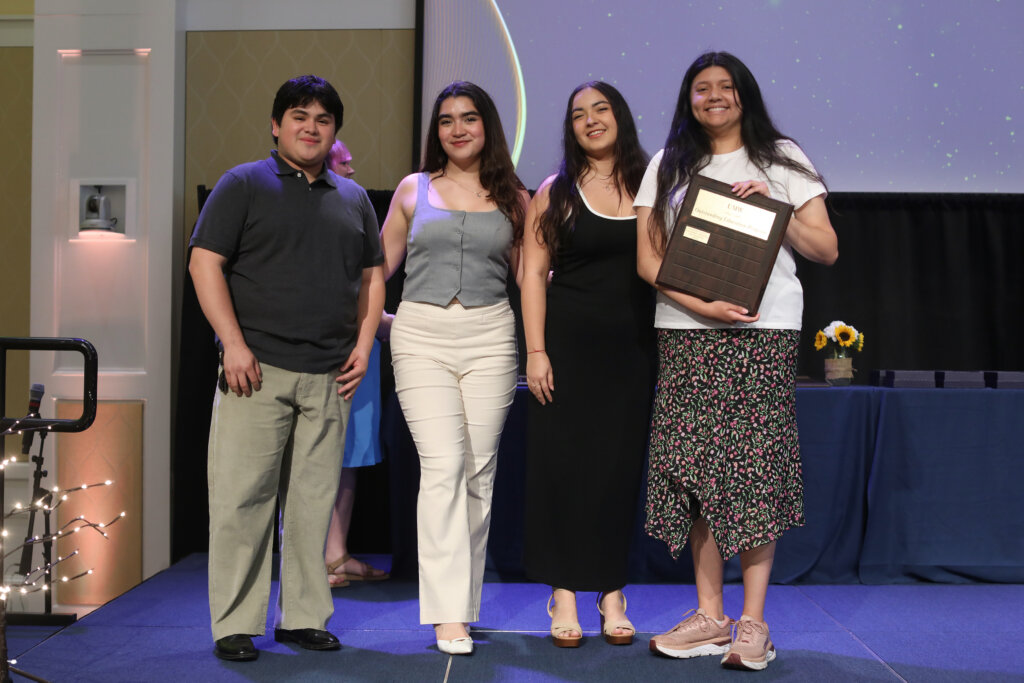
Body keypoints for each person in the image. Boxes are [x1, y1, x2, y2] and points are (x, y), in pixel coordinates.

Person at [635, 51, 838, 671]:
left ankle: (753, 622)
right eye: (702, 88)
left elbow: (825, 248)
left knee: (752, 469)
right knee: (695, 469)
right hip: (687, 330)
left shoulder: (782, 158)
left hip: (763, 327)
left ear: (744, 95)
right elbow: (650, 262)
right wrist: (704, 304)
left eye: (725, 87)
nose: (714, 97)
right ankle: (709, 615)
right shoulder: (667, 165)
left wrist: (773, 210)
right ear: (688, 99)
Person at [189, 74, 385, 663]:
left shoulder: (352, 199)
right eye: (299, 116)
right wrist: (232, 343)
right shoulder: (242, 184)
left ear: (335, 133)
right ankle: (234, 624)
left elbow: (373, 278)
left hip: (328, 375)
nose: (311, 127)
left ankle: (301, 618)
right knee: (241, 500)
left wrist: (365, 343)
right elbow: (205, 263)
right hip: (256, 372)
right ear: (277, 125)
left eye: (323, 120)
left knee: (310, 503)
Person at [379, 81, 527, 656]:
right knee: (442, 466)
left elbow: (530, 279)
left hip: (491, 337)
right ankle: (444, 613)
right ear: (435, 131)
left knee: (477, 472)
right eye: (446, 120)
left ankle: (463, 608)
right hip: (421, 337)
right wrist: (372, 327)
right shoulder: (414, 189)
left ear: (486, 125)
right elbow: (376, 270)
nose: (457, 129)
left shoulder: (515, 197)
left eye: (468, 118)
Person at [520, 81, 655, 648]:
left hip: (634, 354)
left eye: (601, 109)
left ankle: (612, 592)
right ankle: (565, 593)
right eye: (579, 114)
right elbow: (531, 273)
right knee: (563, 469)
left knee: (617, 474)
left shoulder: (655, 184)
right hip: (567, 350)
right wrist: (535, 351)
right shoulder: (555, 190)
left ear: (620, 116)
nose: (591, 120)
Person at [323, 140, 390, 586]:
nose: (351, 166)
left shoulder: (357, 208)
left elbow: (371, 280)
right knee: (321, 454)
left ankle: (336, 553)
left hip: (362, 350)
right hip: (329, 350)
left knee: (351, 455)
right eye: (342, 160)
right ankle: (313, 558)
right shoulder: (316, 214)